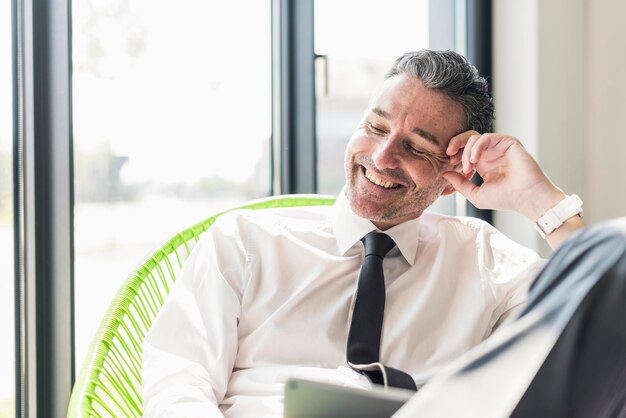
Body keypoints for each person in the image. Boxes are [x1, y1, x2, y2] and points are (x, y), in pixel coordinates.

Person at [141, 49, 588, 417]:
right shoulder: (244, 241)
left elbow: (600, 327)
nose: (382, 156)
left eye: (416, 147)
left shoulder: (485, 261)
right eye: (375, 127)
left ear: (453, 168)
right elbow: (177, 381)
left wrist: (540, 202)